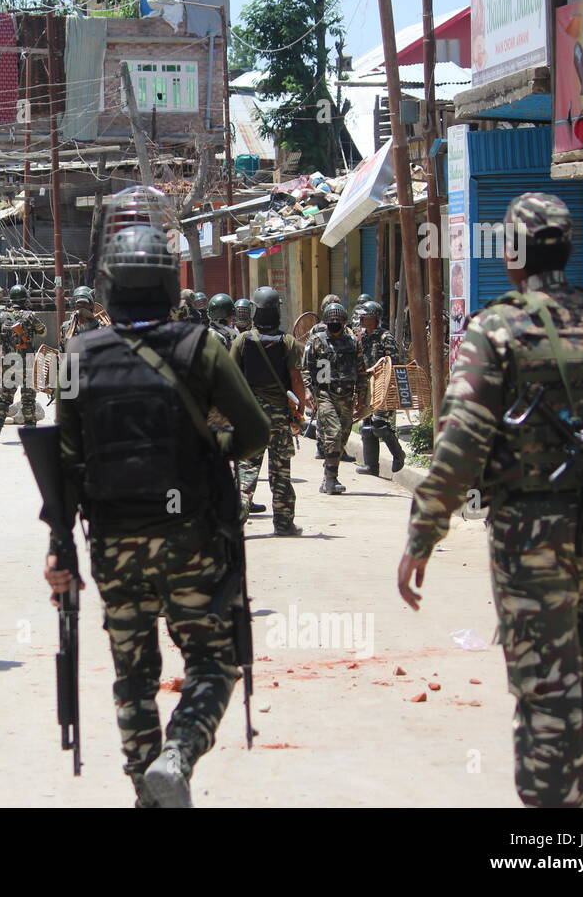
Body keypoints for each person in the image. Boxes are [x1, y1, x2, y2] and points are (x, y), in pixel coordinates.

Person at [398, 193, 583, 808]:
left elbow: (461, 446)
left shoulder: (497, 330)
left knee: (547, 699)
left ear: (514, 254)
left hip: (530, 544)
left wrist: (422, 536)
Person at [44, 204, 270, 808]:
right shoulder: (203, 346)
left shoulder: (79, 354)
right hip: (190, 536)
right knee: (213, 663)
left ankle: (148, 793)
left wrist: (58, 548)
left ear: (109, 286)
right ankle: (178, 756)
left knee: (133, 677)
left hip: (113, 542)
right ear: (171, 283)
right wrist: (211, 443)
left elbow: (64, 465)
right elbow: (254, 434)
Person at [233, 286, 305, 535]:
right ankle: (284, 524)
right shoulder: (288, 342)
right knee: (281, 472)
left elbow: (231, 378)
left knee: (246, 471)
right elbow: (296, 380)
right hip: (279, 416)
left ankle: (237, 519)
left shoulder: (242, 340)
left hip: (251, 416)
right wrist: (299, 413)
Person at [302, 302, 366, 495]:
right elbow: (306, 368)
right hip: (325, 394)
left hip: (347, 394)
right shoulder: (316, 341)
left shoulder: (353, 342)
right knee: (334, 434)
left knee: (343, 436)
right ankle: (331, 480)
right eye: (331, 320)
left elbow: (361, 371)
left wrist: (361, 395)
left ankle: (328, 476)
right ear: (326, 321)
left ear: (344, 322)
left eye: (338, 320)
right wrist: (307, 391)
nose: (334, 323)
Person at [355, 301, 406, 477]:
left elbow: (394, 364)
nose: (361, 319)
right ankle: (371, 466)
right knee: (367, 425)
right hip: (369, 387)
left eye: (365, 316)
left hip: (385, 387)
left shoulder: (386, 338)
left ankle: (399, 454)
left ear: (375, 318)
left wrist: (390, 390)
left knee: (379, 424)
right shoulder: (363, 338)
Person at [0, 284, 45, 443]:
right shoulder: (30, 315)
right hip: (26, 362)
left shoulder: (2, 316)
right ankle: (31, 435)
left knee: (5, 399)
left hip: (9, 363)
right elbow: (43, 331)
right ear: (25, 300)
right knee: (28, 400)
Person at [60, 285, 101, 350]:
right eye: (79, 303)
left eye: (85, 303)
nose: (81, 306)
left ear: (90, 306)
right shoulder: (66, 327)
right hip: (75, 358)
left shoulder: (100, 326)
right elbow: (63, 351)